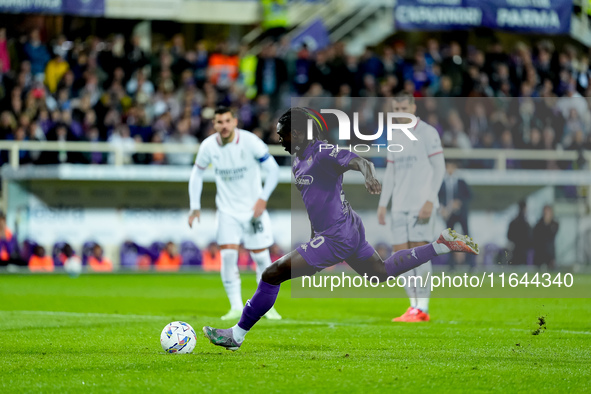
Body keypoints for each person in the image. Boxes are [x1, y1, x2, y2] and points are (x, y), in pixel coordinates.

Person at [202, 107, 479, 351]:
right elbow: (315, 203)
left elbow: (360, 161)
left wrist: (369, 176)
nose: (279, 138)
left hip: (337, 235)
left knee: (271, 274)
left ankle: (236, 335)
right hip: (345, 229)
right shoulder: (299, 159)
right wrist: (314, 235)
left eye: (282, 133)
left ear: (297, 133)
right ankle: (441, 244)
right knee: (379, 273)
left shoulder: (321, 152)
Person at [188, 106, 282, 320]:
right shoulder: (208, 146)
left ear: (235, 121)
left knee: (262, 260)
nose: (223, 126)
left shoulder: (250, 142)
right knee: (229, 256)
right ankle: (236, 307)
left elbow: (274, 170)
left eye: (227, 121)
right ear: (214, 124)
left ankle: (266, 307)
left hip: (252, 211)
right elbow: (196, 174)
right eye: (219, 122)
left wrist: (263, 198)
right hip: (227, 211)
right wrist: (195, 206)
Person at [377, 93, 445, 323]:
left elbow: (439, 168)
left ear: (413, 107)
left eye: (403, 108)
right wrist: (383, 204)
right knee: (401, 258)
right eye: (395, 109)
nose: (399, 113)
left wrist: (430, 200)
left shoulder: (427, 132)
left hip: (420, 205)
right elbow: (391, 173)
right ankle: (413, 306)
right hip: (399, 206)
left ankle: (423, 307)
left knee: (420, 255)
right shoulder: (395, 135)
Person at [439, 160, 472, 269]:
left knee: (466, 235)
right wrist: (443, 208)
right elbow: (439, 197)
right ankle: (451, 264)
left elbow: (469, 195)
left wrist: (459, 202)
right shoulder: (442, 182)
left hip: (461, 213)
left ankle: (470, 262)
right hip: (449, 214)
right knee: (448, 238)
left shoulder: (461, 181)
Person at [532, 205, 559, 271]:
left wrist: (547, 222)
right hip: (539, 254)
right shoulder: (538, 225)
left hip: (550, 254)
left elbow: (550, 235)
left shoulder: (554, 224)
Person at [507, 200, 532, 265]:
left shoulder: (514, 222)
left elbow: (509, 236)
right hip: (522, 251)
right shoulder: (526, 224)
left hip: (516, 250)